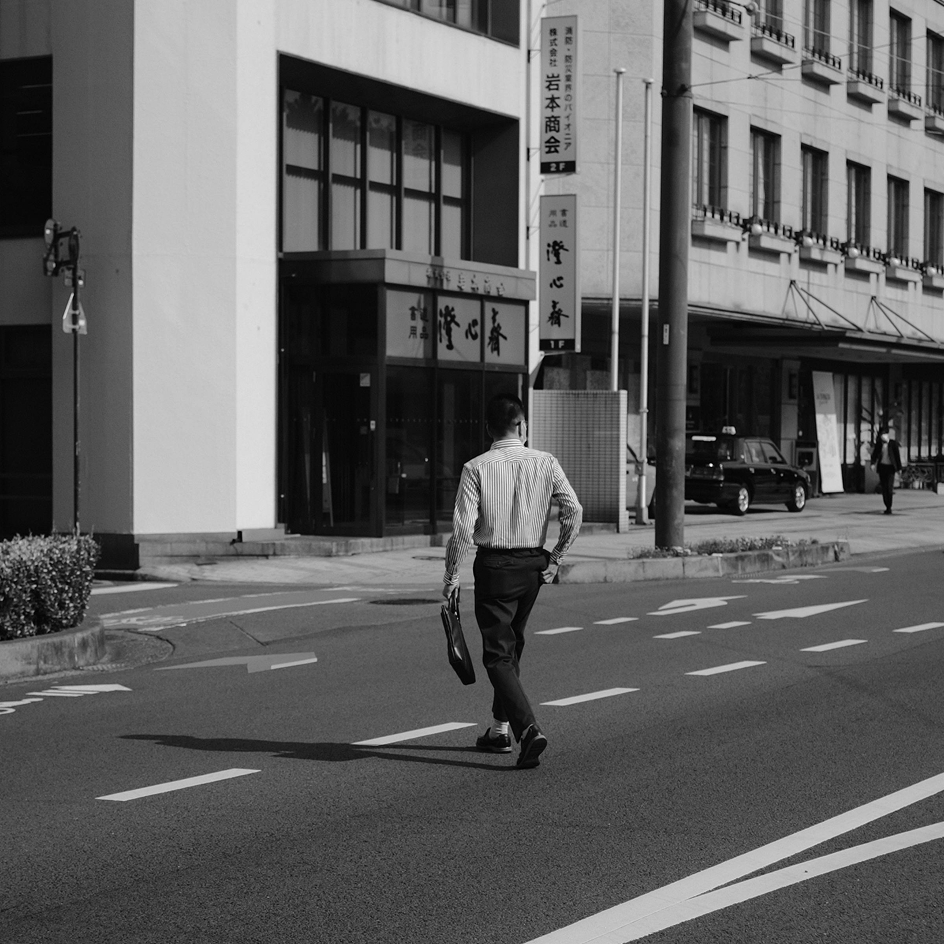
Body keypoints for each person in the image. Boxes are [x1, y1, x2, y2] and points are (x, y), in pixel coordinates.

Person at [442, 393, 582, 769]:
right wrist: (556, 558)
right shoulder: (545, 461)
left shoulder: (476, 467)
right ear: (522, 426)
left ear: (489, 429)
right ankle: (500, 729)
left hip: (495, 567)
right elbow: (574, 509)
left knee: (497, 653)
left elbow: (461, 531)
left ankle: (527, 729)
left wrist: (451, 576)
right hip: (533, 566)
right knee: (512, 644)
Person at [870, 426, 903, 515]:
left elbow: (897, 456)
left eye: (884, 434)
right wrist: (872, 464)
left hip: (890, 468)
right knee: (884, 488)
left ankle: (889, 506)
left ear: (887, 434)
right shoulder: (879, 444)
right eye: (881, 434)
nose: (883, 436)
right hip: (882, 467)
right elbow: (875, 455)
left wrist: (899, 468)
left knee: (889, 487)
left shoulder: (893, 444)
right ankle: (886, 505)